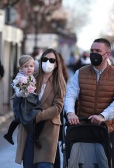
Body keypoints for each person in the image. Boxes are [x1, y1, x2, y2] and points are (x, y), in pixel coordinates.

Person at [64, 38, 114, 166]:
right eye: (92, 50)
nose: (93, 53)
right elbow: (70, 95)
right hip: (83, 129)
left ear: (107, 54)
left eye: (98, 51)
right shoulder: (80, 72)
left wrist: (103, 116)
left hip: (107, 130)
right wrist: (70, 112)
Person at [15, 49, 67, 168]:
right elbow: (18, 98)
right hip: (29, 129)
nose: (47, 62)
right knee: (29, 164)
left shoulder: (59, 82)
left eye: (51, 60)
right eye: (45, 59)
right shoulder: (31, 77)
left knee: (44, 165)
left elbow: (58, 106)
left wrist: (38, 116)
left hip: (48, 129)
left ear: (56, 63)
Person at [4, 55, 43, 148]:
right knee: (21, 118)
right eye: (26, 66)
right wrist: (25, 90)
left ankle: (34, 136)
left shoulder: (31, 76)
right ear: (21, 68)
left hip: (29, 100)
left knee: (36, 115)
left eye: (31, 66)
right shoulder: (20, 78)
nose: (29, 68)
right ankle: (10, 134)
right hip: (21, 101)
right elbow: (18, 93)